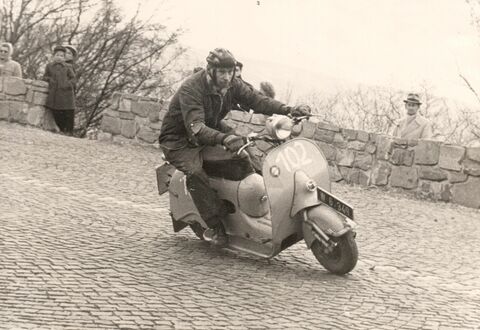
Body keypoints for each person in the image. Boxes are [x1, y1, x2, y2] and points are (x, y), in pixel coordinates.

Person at [158, 48, 310, 246]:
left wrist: (288, 110)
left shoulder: (232, 85)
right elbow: (196, 128)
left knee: (245, 154)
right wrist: (224, 139)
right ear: (210, 71)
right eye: (222, 72)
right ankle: (216, 226)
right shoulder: (192, 88)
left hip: (211, 129)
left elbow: (257, 100)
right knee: (196, 172)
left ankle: (263, 204)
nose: (227, 77)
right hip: (178, 140)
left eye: (230, 72)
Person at [42, 45, 76, 135]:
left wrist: (67, 84)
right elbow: (45, 76)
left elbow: (73, 79)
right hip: (55, 94)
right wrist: (49, 80)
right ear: (53, 56)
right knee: (56, 112)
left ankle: (68, 131)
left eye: (61, 56)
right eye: (57, 55)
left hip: (66, 94)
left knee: (68, 112)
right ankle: (61, 129)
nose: (59, 57)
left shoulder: (68, 67)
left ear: (64, 58)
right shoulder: (49, 66)